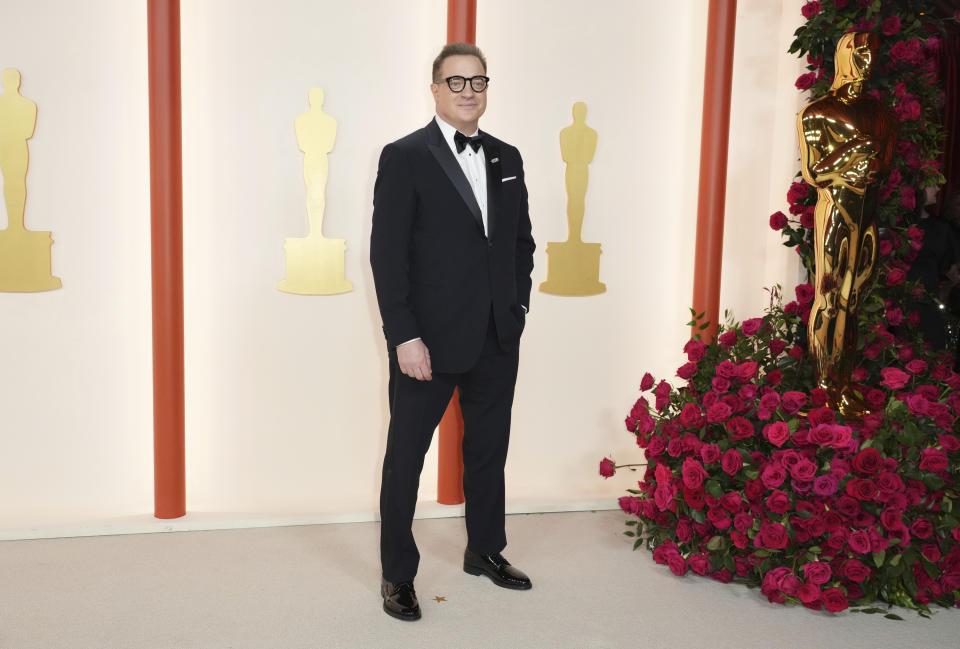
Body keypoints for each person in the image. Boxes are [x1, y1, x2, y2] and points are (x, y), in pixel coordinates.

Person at [369, 43, 536, 622]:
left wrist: (516, 308)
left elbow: (520, 244)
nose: (468, 91)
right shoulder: (405, 156)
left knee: (489, 452)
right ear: (435, 89)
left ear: (487, 88)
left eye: (478, 81)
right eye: (456, 81)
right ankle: (397, 574)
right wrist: (404, 336)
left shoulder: (508, 156)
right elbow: (387, 258)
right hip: (427, 344)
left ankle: (485, 550)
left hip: (497, 337)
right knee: (405, 460)